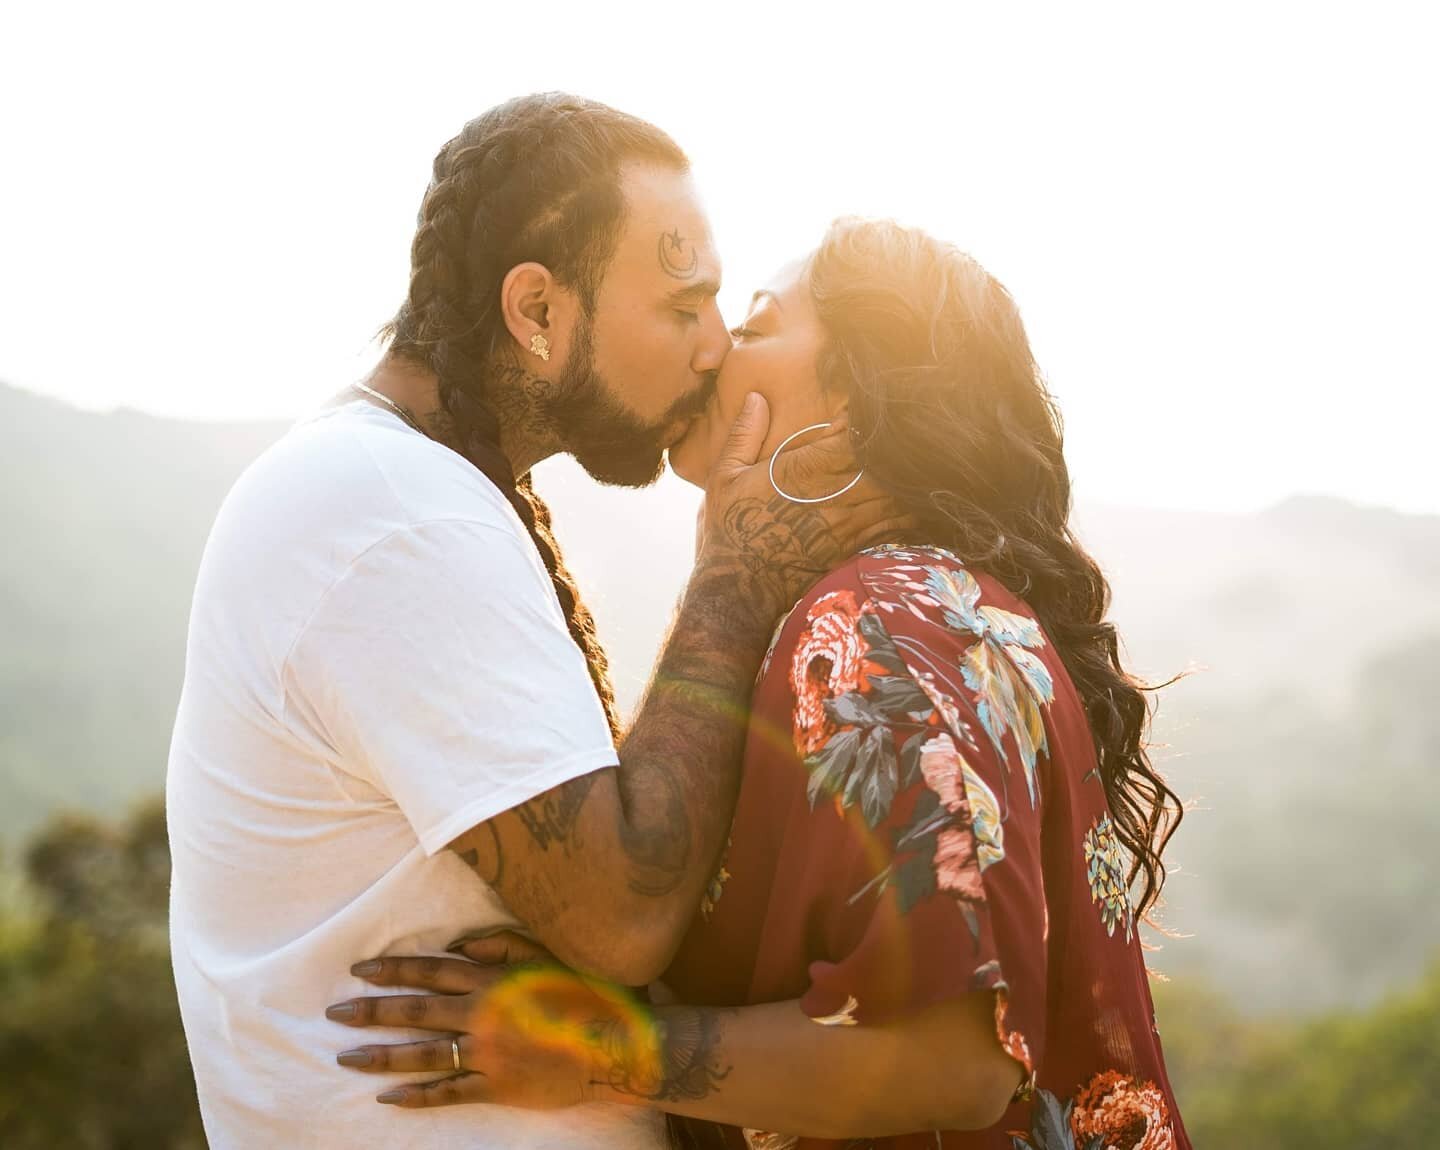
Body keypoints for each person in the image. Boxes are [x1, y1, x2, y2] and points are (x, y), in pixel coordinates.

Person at [328, 218, 1194, 1150]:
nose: (710, 354)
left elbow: (952, 1059)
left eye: (755, 324)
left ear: (860, 398)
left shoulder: (879, 621)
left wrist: (601, 1047)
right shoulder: (921, 604)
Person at [166, 94, 895, 1150]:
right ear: (538, 311)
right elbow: (622, 916)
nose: (712, 349)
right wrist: (734, 570)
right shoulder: (396, 514)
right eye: (683, 306)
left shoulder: (413, 487)